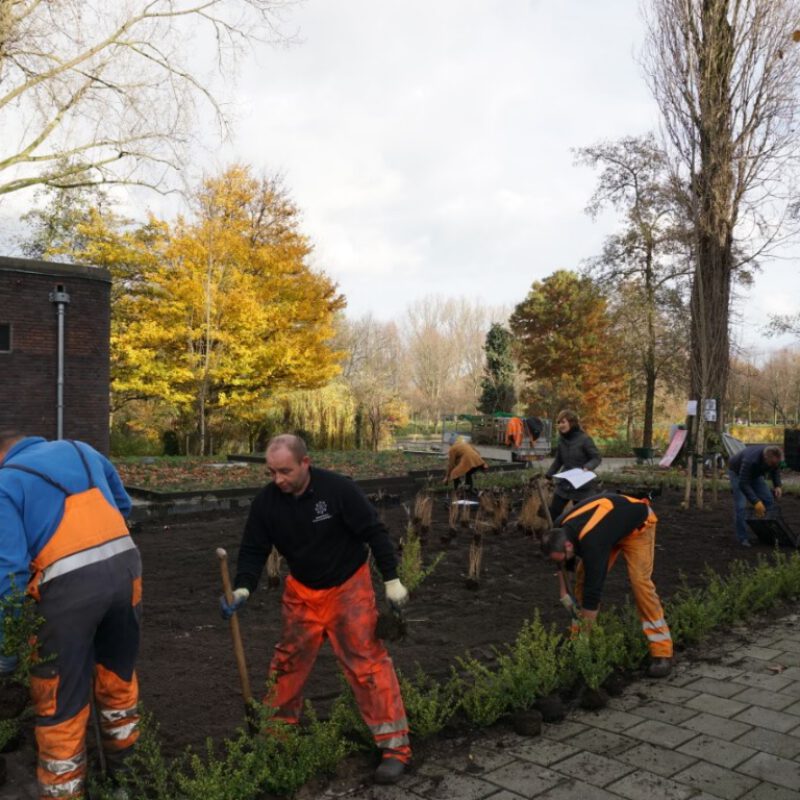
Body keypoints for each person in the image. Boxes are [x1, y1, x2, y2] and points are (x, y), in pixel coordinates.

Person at [219, 434, 411, 785]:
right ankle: (276, 737)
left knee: (367, 666)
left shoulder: (338, 490)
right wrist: (244, 586)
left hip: (348, 588)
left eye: (285, 471)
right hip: (303, 592)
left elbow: (375, 532)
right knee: (287, 664)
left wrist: (392, 580)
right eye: (272, 472)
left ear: (305, 463)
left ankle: (395, 748)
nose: (278, 479)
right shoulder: (267, 503)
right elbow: (252, 549)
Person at [0, 431, 140, 800]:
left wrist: (7, 652)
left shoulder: (5, 482)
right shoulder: (82, 449)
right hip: (127, 573)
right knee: (116, 676)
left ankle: (64, 793)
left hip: (66, 593)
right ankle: (127, 780)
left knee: (60, 697)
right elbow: (123, 507)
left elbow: (9, 573)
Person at [541, 492, 673, 678]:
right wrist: (564, 595)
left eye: (561, 557)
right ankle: (577, 637)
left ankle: (662, 651)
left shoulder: (592, 542)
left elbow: (593, 593)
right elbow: (563, 566)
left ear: (569, 546)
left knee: (640, 583)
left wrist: (585, 637)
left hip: (638, 526)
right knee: (581, 578)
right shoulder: (559, 530)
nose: (560, 561)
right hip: (610, 527)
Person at [545, 409, 601, 519]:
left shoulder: (585, 439)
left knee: (581, 516)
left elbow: (596, 457)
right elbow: (558, 461)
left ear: (572, 423)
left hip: (582, 485)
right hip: (565, 483)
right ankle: (554, 534)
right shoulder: (561, 440)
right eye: (559, 422)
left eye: (563, 422)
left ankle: (578, 535)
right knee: (554, 513)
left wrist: (588, 466)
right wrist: (548, 475)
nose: (560, 425)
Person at [728, 444, 783, 548]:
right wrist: (756, 502)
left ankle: (768, 534)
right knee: (740, 506)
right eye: (771, 463)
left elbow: (775, 470)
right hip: (737, 473)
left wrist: (777, 486)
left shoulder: (774, 455)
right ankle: (742, 539)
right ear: (765, 459)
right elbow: (743, 483)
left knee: (768, 500)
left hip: (755, 474)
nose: (773, 465)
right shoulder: (750, 460)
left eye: (775, 463)